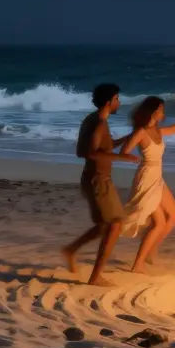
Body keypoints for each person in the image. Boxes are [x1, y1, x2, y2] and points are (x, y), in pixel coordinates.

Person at [62, 83, 138, 286]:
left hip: (95, 179)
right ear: (109, 101)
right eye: (117, 99)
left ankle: (71, 250)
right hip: (98, 180)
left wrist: (127, 138)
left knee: (105, 226)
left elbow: (103, 146)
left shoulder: (95, 119)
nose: (119, 102)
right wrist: (124, 158)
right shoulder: (99, 123)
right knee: (115, 224)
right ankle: (95, 277)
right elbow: (87, 152)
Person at [118, 92, 175, 272]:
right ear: (154, 111)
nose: (163, 114)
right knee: (159, 223)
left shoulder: (158, 131)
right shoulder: (141, 132)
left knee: (173, 216)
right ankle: (137, 265)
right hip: (147, 177)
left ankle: (151, 251)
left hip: (158, 177)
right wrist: (132, 158)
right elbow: (124, 151)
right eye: (162, 110)